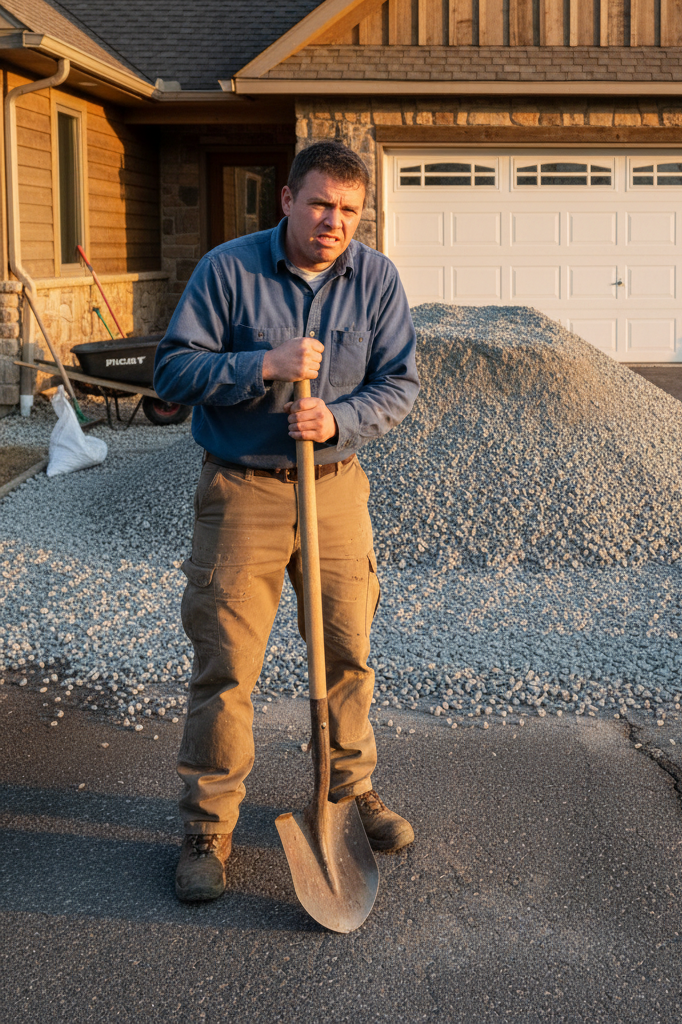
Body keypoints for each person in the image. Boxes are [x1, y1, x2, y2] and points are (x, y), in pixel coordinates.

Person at [154, 141, 419, 903]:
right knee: (227, 664)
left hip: (334, 488)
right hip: (242, 493)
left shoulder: (375, 279)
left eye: (348, 210)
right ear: (287, 200)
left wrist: (335, 418)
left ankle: (347, 792)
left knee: (346, 651)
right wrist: (259, 367)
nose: (333, 222)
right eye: (320, 204)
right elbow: (172, 371)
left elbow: (399, 384)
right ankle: (208, 825)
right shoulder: (228, 270)